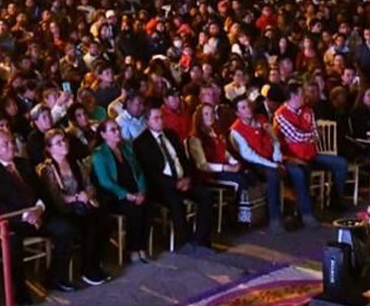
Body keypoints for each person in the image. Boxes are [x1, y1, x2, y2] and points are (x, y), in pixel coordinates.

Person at [0, 128, 70, 299]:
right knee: (13, 242)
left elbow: (42, 192)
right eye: (5, 144)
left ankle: (54, 277)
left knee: (65, 229)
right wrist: (25, 215)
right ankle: (20, 291)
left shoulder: (24, 164)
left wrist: (39, 208)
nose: (12, 146)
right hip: (13, 221)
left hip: (37, 215)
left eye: (12, 142)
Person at [134, 106, 216, 256]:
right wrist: (174, 183)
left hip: (182, 179)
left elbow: (184, 159)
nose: (160, 121)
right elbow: (150, 173)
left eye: (161, 117)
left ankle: (201, 239)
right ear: (147, 122)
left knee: (206, 195)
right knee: (176, 202)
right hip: (161, 186)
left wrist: (187, 178)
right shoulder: (141, 142)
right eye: (156, 118)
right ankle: (184, 242)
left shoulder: (171, 135)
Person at [37, 131, 110, 287]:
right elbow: (55, 198)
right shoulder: (47, 169)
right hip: (60, 210)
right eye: (58, 143)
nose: (64, 144)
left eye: (64, 140)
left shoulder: (75, 163)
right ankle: (86, 269)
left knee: (103, 220)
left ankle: (94, 264)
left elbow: (89, 184)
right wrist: (77, 197)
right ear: (50, 149)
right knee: (88, 224)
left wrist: (86, 194)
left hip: (81, 205)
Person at [230, 96, 312, 230]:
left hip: (273, 157)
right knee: (274, 175)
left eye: (248, 105)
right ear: (237, 113)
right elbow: (249, 155)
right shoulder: (236, 131)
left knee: (298, 171)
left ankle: (305, 213)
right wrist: (274, 165)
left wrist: (277, 156)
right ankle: (275, 219)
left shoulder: (261, 119)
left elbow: (274, 139)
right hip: (256, 163)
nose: (248, 109)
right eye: (243, 108)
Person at [273, 82, 349, 211]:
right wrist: (309, 136)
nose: (305, 96)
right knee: (303, 171)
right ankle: (303, 209)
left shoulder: (308, 110)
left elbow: (315, 133)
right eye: (302, 94)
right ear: (293, 96)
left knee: (341, 163)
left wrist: (306, 136)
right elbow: (296, 136)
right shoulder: (280, 115)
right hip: (292, 157)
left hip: (312, 154)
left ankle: (334, 201)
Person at [90, 119, 151, 263]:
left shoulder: (126, 148)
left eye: (118, 129)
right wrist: (126, 195)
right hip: (114, 196)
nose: (118, 132)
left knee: (147, 207)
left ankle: (141, 246)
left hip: (134, 191)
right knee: (134, 210)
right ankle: (132, 249)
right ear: (103, 135)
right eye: (113, 130)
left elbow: (139, 171)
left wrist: (141, 191)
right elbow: (106, 182)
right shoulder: (99, 154)